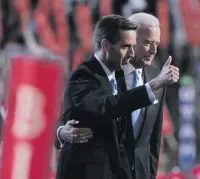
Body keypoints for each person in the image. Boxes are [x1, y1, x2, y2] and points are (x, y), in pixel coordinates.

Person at [55, 14, 179, 179]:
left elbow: (152, 138)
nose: (154, 50)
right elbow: (84, 109)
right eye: (148, 43)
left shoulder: (156, 73)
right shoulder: (101, 71)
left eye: (156, 43)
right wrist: (62, 131)